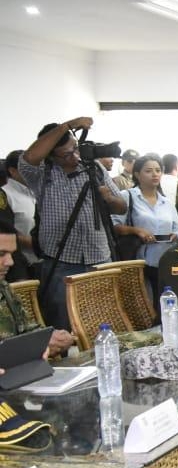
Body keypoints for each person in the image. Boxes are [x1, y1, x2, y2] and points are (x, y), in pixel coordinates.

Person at [18, 117, 127, 330]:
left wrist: (109, 199)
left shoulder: (93, 167)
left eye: (75, 148)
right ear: (51, 156)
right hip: (61, 260)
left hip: (99, 258)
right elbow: (30, 156)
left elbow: (122, 207)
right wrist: (68, 125)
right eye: (66, 154)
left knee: (102, 321)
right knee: (63, 324)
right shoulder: (41, 173)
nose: (74, 156)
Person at [0, 221, 74, 358]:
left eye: (11, 254)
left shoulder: (4, 288)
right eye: (1, 254)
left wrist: (51, 338)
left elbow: (27, 329)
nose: (10, 262)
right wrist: (35, 347)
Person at [110, 154, 178, 289]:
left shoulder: (166, 202)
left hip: (164, 262)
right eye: (148, 171)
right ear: (137, 174)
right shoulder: (128, 196)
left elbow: (177, 229)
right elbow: (114, 226)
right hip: (137, 263)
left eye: (158, 170)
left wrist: (175, 235)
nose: (154, 174)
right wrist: (136, 230)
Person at [3, 151, 38, 275]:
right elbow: (4, 232)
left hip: (46, 260)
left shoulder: (37, 191)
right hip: (23, 266)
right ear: (13, 171)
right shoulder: (5, 195)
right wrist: (35, 244)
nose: (33, 171)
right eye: (26, 167)